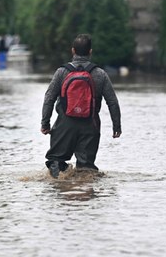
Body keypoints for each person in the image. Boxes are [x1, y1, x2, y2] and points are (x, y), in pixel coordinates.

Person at [41, 34, 122, 177]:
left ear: (73, 51)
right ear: (90, 51)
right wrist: (117, 126)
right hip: (90, 125)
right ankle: (85, 195)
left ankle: (59, 190)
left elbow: (49, 98)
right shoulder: (100, 74)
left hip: (64, 125)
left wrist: (45, 123)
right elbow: (112, 102)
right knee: (86, 170)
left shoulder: (61, 72)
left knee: (56, 161)